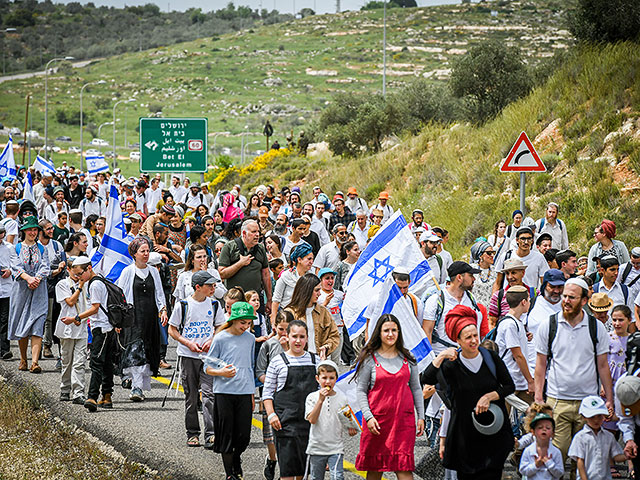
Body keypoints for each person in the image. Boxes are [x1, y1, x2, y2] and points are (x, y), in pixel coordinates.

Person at [421, 305, 515, 480]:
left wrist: (489, 397)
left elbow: (509, 386)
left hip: (491, 433)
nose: (473, 341)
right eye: (468, 337)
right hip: (464, 439)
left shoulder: (490, 358)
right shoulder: (451, 365)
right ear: (458, 340)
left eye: (475, 336)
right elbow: (426, 379)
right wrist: (440, 357)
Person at [534, 278, 614, 463]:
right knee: (556, 455)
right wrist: (539, 398)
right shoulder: (549, 325)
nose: (566, 301)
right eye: (564, 296)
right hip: (557, 400)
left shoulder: (596, 328)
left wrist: (608, 399)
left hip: (588, 402)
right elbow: (540, 364)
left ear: (584, 301)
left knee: (584, 459)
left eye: (572, 297)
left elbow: (603, 365)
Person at [354, 314, 424, 477]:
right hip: (377, 423)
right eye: (386, 330)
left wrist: (421, 416)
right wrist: (369, 417)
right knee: (375, 469)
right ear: (379, 333)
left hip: (403, 423)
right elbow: (361, 390)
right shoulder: (369, 359)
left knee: (404, 467)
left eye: (394, 330)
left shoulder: (409, 359)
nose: (390, 334)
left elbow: (416, 388)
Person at [168, 270, 224, 448]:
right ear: (198, 287)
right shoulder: (183, 305)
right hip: (188, 356)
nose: (213, 288)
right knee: (191, 396)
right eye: (209, 285)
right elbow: (172, 329)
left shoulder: (214, 305)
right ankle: (192, 433)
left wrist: (211, 340)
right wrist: (187, 343)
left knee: (209, 395)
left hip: (208, 357)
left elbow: (220, 325)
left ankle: (211, 433)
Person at [201, 301, 255, 480]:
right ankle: (229, 473)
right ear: (233, 320)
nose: (246, 327)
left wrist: (253, 394)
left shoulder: (250, 339)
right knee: (226, 433)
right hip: (224, 392)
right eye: (243, 323)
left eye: (249, 323)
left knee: (243, 436)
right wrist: (221, 372)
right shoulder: (221, 338)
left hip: (245, 391)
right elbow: (207, 367)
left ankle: (236, 458)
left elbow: (251, 366)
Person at [263, 320, 319, 480]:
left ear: (307, 338)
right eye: (294, 336)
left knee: (304, 473)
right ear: (287, 337)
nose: (298, 340)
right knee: (287, 473)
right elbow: (267, 393)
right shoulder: (277, 362)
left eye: (302, 336)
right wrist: (272, 415)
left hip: (309, 425)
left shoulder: (316, 361)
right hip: (284, 424)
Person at [116, 237, 167, 402]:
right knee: (136, 349)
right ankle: (136, 387)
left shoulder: (153, 271)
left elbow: (159, 293)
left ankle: (139, 384)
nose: (146, 254)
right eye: (142, 251)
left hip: (150, 317)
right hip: (133, 318)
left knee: (147, 349)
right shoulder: (128, 272)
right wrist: (119, 320)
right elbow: (121, 297)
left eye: (147, 251)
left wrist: (163, 310)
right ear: (134, 254)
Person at [8, 216, 50, 374]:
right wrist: (28, 278)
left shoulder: (42, 249)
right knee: (22, 321)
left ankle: (35, 362)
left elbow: (45, 266)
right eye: (30, 230)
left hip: (39, 290)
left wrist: (37, 278)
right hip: (21, 290)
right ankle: (23, 359)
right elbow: (15, 267)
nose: (32, 232)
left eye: (35, 230)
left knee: (38, 323)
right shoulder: (16, 248)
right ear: (24, 231)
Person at [305, 359, 358, 480]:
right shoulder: (312, 397)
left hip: (336, 447)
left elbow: (346, 419)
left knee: (337, 477)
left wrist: (351, 428)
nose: (328, 382)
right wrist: (320, 400)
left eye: (331, 378)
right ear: (317, 378)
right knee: (315, 477)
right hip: (316, 447)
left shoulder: (342, 398)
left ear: (336, 379)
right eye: (324, 378)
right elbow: (312, 420)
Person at [256, 310, 292, 480]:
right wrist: (270, 382)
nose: (284, 333)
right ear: (274, 327)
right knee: (270, 433)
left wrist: (287, 347)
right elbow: (260, 370)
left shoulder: (297, 345)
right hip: (271, 394)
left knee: (287, 433)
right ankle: (272, 459)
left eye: (287, 329)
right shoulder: (269, 345)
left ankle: (286, 469)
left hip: (290, 396)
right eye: (280, 329)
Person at [423, 261, 482, 353]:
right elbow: (427, 332)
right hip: (443, 356)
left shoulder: (471, 298)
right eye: (470, 275)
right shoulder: (435, 301)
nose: (474, 279)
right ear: (459, 277)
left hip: (466, 357)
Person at [218, 219, 272, 317]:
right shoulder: (229, 247)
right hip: (235, 300)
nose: (257, 235)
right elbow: (222, 273)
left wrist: (269, 299)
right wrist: (240, 263)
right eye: (253, 232)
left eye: (258, 232)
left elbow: (266, 274)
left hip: (255, 300)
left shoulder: (260, 248)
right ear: (244, 233)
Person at [55, 257, 89, 405]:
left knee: (80, 362)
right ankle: (65, 388)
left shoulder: (88, 284)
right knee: (67, 361)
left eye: (80, 274)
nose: (78, 277)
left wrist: (82, 285)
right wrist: (80, 287)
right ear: (68, 270)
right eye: (75, 274)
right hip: (66, 327)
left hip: (81, 327)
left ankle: (78, 392)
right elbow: (70, 301)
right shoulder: (62, 284)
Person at [568, 395, 626, 479]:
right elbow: (580, 461)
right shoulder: (580, 437)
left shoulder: (608, 436)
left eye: (599, 416)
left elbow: (616, 456)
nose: (596, 420)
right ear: (584, 417)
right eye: (592, 417)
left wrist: (627, 456)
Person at [284, 273, 340, 358]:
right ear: (307, 291)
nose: (320, 294)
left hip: (318, 360)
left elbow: (334, 335)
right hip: (295, 361)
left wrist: (326, 347)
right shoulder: (290, 312)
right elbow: (283, 338)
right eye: (317, 290)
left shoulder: (323, 311)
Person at [494, 286, 534, 404]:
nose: (529, 303)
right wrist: (530, 381)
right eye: (528, 300)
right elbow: (518, 356)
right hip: (512, 382)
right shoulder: (510, 325)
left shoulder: (516, 322)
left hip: (519, 382)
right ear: (523, 302)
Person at [525, 269, 565, 370]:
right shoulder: (531, 304)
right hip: (534, 368)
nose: (556, 291)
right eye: (552, 287)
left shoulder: (569, 306)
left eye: (560, 287)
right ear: (544, 286)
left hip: (561, 370)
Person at [271, 243, 314, 323]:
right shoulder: (286, 276)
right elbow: (276, 300)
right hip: (288, 316)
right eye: (309, 259)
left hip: (306, 316)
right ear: (299, 259)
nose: (311, 262)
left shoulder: (311, 276)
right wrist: (273, 320)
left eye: (312, 259)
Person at [518, 413, 564, 479]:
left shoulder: (556, 452)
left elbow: (560, 473)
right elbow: (523, 471)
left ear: (553, 433)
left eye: (548, 428)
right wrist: (536, 465)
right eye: (540, 427)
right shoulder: (528, 450)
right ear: (533, 432)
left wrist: (549, 463)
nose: (544, 429)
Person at [470, 240, 497, 306]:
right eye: (489, 253)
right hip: (475, 308)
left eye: (493, 252)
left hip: (491, 309)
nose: (492, 255)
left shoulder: (495, 270)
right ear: (480, 255)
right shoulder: (471, 269)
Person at [0, 225, 13, 360]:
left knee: (5, 320)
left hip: (7, 288)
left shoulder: (9, 248)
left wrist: (9, 270)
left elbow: (16, 265)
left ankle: (5, 349)